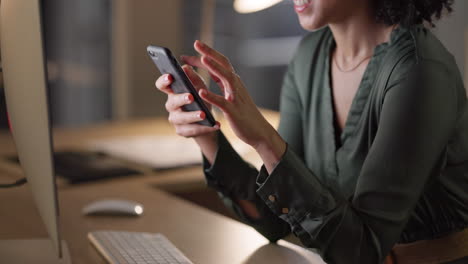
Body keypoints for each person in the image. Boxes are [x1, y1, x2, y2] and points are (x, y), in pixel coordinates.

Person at [155, 0, 468, 263]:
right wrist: (206, 135)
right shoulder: (310, 55)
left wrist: (264, 138)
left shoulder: (419, 71)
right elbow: (275, 220)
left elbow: (362, 251)